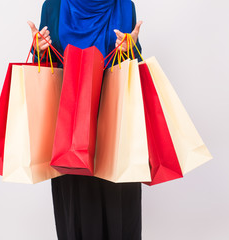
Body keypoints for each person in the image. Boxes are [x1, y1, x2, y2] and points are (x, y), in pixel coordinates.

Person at [27, 1, 144, 239]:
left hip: (115, 128)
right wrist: (39, 50)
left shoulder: (124, 6)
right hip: (70, 130)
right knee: (77, 214)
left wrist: (129, 49)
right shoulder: (53, 6)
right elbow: (50, 71)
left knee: (119, 208)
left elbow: (134, 69)